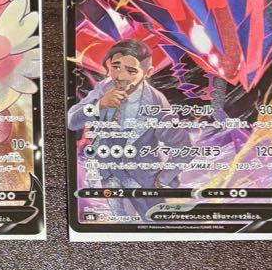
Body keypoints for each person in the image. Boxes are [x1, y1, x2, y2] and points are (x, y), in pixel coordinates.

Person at [67, 39, 190, 223]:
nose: (120, 76)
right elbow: (71, 121)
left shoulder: (156, 100)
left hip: (144, 180)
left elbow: (184, 147)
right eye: (116, 67)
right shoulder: (105, 87)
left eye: (131, 71)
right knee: (123, 226)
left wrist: (163, 180)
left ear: (148, 72)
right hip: (110, 175)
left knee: (155, 226)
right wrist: (98, 106)